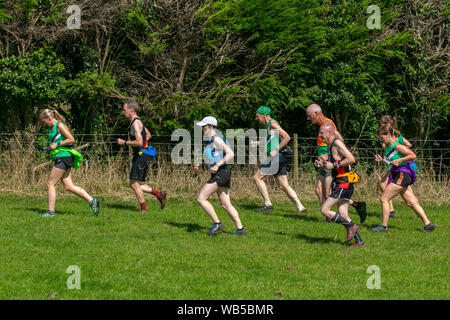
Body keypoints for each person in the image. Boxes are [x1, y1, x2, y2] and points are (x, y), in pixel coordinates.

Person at [306, 104, 367, 223]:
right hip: (326, 162)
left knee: (327, 191)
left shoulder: (327, 124)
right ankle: (353, 207)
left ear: (316, 113)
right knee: (320, 190)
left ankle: (331, 216)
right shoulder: (322, 125)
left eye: (309, 116)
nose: (308, 119)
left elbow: (339, 140)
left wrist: (332, 158)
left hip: (331, 164)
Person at [372, 125, 436, 233]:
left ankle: (383, 226)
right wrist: (382, 159)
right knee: (412, 203)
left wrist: (400, 160)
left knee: (384, 198)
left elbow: (412, 155)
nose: (380, 140)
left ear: (388, 135)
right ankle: (428, 224)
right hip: (399, 175)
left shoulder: (397, 146)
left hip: (402, 175)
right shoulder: (389, 147)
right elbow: (393, 161)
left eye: (382, 138)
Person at [39, 109, 100, 217]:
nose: (44, 124)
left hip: (63, 157)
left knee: (50, 183)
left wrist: (57, 144)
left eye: (44, 121)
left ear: (49, 118)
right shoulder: (52, 127)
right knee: (68, 186)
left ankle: (50, 212)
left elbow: (71, 139)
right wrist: (50, 148)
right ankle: (92, 201)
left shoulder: (59, 125)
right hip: (62, 156)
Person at [314, 122, 365, 246]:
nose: (320, 136)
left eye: (322, 133)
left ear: (330, 133)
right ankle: (359, 241)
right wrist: (323, 164)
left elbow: (351, 159)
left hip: (344, 183)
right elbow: (336, 163)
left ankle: (351, 226)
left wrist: (334, 165)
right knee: (343, 214)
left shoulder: (336, 143)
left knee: (325, 210)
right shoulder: (330, 145)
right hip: (341, 182)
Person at [194, 116, 246, 235]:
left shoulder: (217, 139)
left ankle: (217, 223)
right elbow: (214, 157)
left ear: (211, 126)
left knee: (201, 198)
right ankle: (240, 229)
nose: (202, 129)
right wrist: (200, 163)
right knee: (226, 204)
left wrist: (217, 165)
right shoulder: (210, 141)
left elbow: (230, 153)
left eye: (204, 126)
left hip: (221, 172)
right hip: (222, 173)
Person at [252, 106, 307, 213]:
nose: (256, 118)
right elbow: (271, 140)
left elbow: (287, 137)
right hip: (279, 157)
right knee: (283, 185)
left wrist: (276, 150)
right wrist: (257, 143)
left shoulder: (272, 124)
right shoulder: (269, 125)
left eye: (257, 116)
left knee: (257, 177)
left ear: (264, 115)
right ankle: (301, 207)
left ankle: (267, 204)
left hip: (276, 156)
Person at [116, 99, 166, 213]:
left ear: (131, 109)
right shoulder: (138, 121)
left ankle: (144, 209)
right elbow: (148, 134)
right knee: (136, 184)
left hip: (142, 155)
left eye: (124, 110)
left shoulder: (135, 123)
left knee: (133, 183)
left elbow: (139, 141)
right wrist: (142, 145)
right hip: (142, 154)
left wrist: (124, 142)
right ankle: (159, 194)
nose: (123, 112)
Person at [376, 115, 415, 218]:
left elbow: (409, 145)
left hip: (402, 166)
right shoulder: (387, 135)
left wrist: (400, 153)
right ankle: (390, 209)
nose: (381, 125)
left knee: (385, 185)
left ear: (388, 124)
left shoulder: (394, 135)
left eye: (382, 123)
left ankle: (390, 210)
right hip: (394, 165)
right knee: (384, 185)